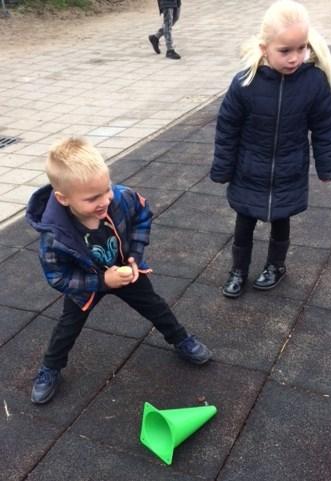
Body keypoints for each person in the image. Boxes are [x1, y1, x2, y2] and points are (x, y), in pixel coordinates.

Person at [26, 137, 211, 404]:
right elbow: (59, 277)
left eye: (106, 190)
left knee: (155, 306)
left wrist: (135, 255)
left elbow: (143, 214)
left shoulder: (122, 197)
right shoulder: (53, 236)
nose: (104, 200)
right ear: (63, 198)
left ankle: (181, 339)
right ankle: (50, 368)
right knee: (68, 327)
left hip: (125, 269)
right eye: (92, 199)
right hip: (88, 282)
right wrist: (102, 280)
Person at [210, 0, 331, 299]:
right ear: (264, 47)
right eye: (285, 50)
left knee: (282, 219)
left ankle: (275, 266)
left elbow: (324, 127)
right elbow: (227, 128)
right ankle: (238, 269)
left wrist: (328, 166)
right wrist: (223, 167)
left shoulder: (313, 83)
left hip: (288, 169)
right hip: (249, 169)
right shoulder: (246, 82)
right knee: (244, 224)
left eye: (301, 48)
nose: (295, 58)